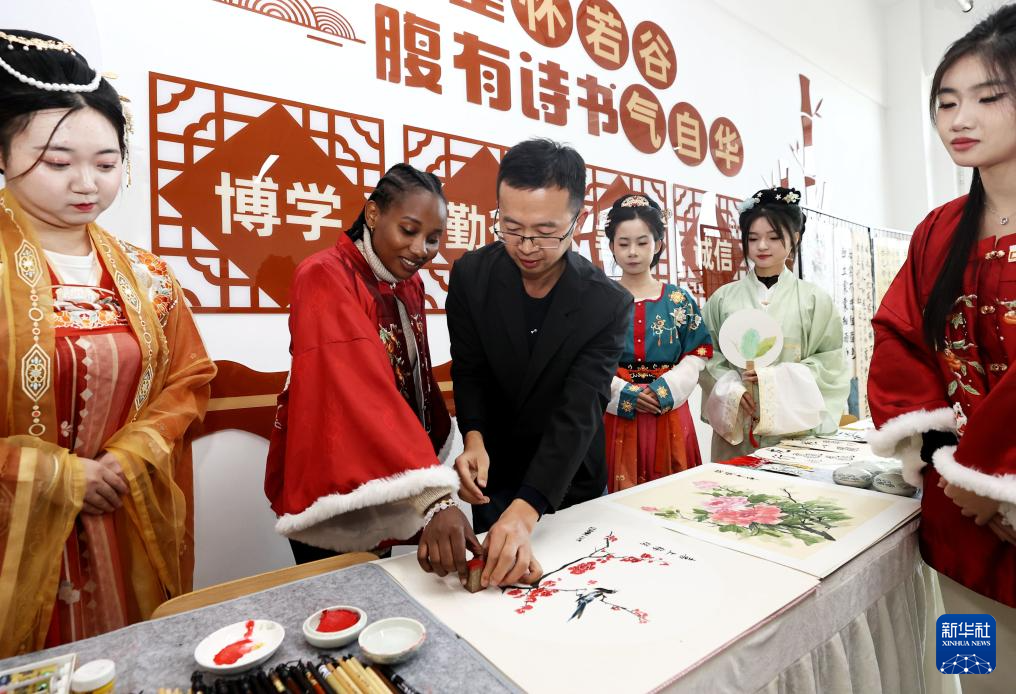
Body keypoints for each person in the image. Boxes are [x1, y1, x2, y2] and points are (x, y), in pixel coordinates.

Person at [0, 31, 215, 656]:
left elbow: (189, 378)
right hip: (16, 536)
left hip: (122, 514)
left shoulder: (146, 274)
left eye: (106, 162)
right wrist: (56, 475)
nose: (86, 183)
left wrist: (131, 455)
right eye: (57, 163)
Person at [867, 4, 1016, 629]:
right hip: (959, 522)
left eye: (988, 97)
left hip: (989, 494)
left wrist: (991, 478)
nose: (960, 119)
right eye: (947, 102)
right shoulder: (938, 230)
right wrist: (943, 457)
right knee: (973, 663)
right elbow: (899, 336)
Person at [435, 138, 632, 589]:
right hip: (494, 473)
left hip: (568, 482)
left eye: (545, 231)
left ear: (577, 220)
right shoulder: (471, 277)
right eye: (511, 227)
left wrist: (526, 511)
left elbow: (579, 410)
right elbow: (469, 369)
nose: (526, 245)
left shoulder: (605, 304)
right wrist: (473, 438)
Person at [265, 163, 475, 576]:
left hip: (388, 470)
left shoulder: (407, 283)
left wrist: (426, 470)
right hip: (332, 475)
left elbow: (415, 375)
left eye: (433, 239)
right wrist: (434, 497)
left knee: (384, 585)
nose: (420, 249)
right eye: (409, 230)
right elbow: (356, 384)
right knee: (337, 595)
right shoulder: (323, 275)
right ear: (374, 214)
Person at [700, 187, 850, 462]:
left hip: (795, 433)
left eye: (773, 237)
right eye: (753, 238)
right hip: (739, 426)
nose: (762, 246)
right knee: (736, 487)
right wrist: (731, 389)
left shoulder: (814, 300)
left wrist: (774, 380)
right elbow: (707, 355)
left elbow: (831, 363)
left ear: (795, 237)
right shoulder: (723, 299)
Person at [602, 193, 712, 491]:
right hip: (616, 414)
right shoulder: (599, 300)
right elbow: (586, 359)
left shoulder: (678, 299)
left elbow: (698, 352)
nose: (633, 252)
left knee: (672, 497)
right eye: (623, 243)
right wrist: (622, 392)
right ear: (611, 246)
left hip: (669, 412)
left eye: (642, 242)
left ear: (658, 244)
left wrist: (667, 388)